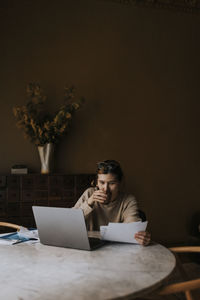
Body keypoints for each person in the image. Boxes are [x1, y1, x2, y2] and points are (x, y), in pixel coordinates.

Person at [74, 160, 151, 246]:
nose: (105, 189)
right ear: (96, 183)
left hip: (116, 247)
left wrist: (141, 237)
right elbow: (70, 222)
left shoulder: (128, 200)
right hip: (89, 246)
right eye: (102, 182)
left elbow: (132, 229)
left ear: (119, 183)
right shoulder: (89, 193)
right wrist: (88, 203)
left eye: (112, 183)